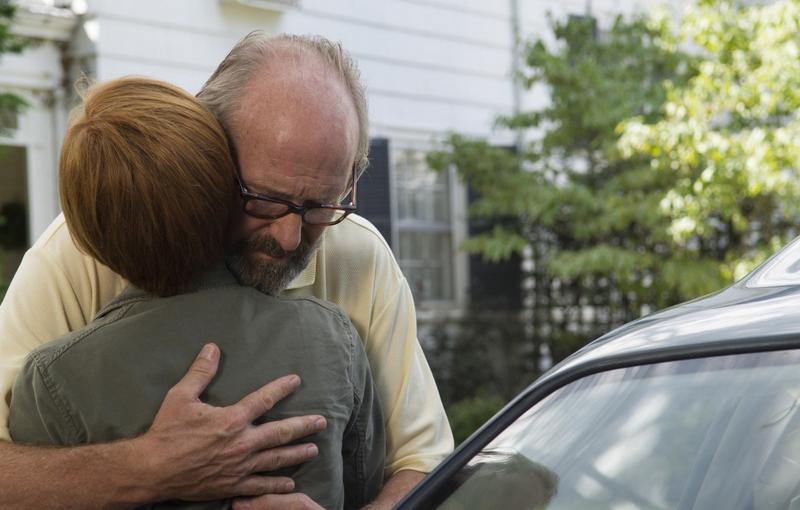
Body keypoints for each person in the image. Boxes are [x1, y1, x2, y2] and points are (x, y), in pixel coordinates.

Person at [0, 33, 453, 509]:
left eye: (321, 205)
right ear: (205, 152)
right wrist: (149, 467)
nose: (290, 238)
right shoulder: (79, 251)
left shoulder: (360, 254)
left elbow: (425, 462)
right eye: (264, 199)